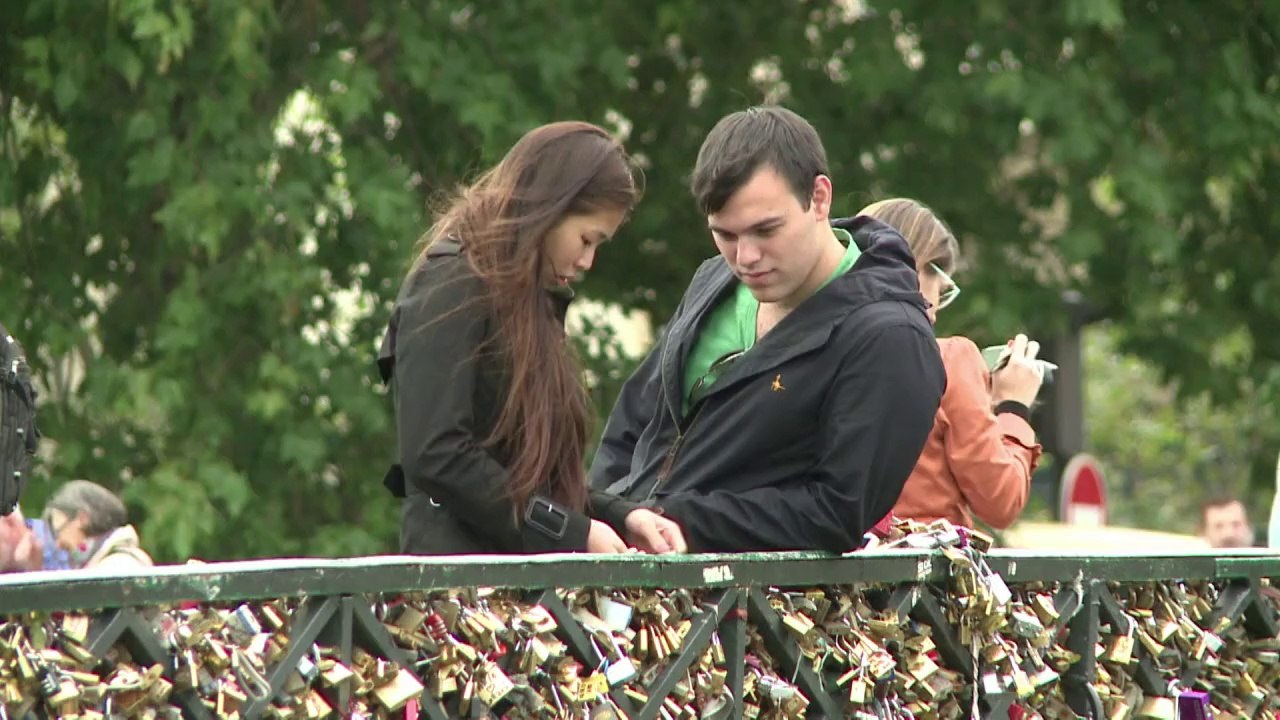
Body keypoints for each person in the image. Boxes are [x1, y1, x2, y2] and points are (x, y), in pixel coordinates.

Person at [588, 106, 946, 553]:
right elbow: (635, 423)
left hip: (753, 610)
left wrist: (671, 520)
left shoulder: (891, 337)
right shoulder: (713, 279)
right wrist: (610, 511)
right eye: (725, 235)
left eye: (765, 230)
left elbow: (838, 511)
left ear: (819, 198)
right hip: (624, 580)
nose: (745, 257)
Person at [379, 121, 686, 555]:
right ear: (550, 209)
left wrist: (620, 515)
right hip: (459, 594)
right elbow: (436, 456)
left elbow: (533, 481)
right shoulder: (451, 280)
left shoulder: (529, 298)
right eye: (586, 239)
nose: (587, 261)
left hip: (520, 593)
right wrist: (575, 534)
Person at [858, 198, 1044, 530]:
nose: (934, 310)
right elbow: (1000, 500)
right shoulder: (950, 361)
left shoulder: (816, 346)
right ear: (921, 269)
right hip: (921, 571)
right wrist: (1013, 407)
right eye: (942, 290)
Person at [43, 480, 153, 570]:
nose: (58, 543)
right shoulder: (107, 564)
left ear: (82, 519)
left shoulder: (120, 566)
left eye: (58, 530)